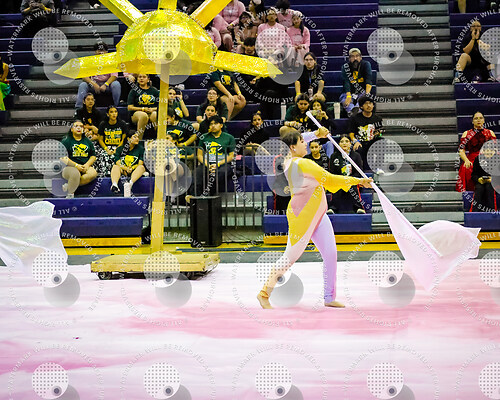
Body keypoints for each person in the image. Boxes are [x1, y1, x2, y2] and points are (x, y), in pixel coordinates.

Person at [256, 128, 373, 309]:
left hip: (318, 214)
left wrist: (316, 134)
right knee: (289, 257)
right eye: (303, 142)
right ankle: (264, 293)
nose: (307, 144)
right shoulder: (303, 164)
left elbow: (294, 141)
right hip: (302, 217)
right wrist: (358, 181)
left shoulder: (288, 161)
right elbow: (330, 180)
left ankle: (329, 297)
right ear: (293, 147)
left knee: (331, 254)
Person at [188, 115, 235, 197]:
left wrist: (218, 164)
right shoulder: (204, 137)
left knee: (219, 174)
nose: (213, 126)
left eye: (215, 123)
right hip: (207, 163)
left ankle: (209, 197)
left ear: (221, 125)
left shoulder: (229, 137)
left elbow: (232, 156)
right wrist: (208, 165)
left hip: (222, 164)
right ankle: (196, 199)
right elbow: (199, 155)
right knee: (197, 174)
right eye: (211, 124)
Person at [456, 111, 496, 192]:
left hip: (487, 158)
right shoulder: (466, 134)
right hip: (472, 159)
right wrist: (466, 160)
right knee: (466, 167)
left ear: (484, 120)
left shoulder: (490, 133)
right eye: (476, 118)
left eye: (480, 118)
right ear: (472, 121)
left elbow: (495, 150)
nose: (478, 120)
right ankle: (470, 191)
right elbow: (461, 150)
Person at [75, 43, 121, 109]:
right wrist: (94, 84)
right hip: (93, 84)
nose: (100, 52)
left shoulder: (112, 61)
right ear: (95, 52)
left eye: (103, 50)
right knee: (83, 85)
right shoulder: (90, 62)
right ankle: (79, 108)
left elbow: (114, 76)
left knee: (116, 84)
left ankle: (116, 106)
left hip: (107, 85)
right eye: (99, 50)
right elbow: (84, 76)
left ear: (106, 52)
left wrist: (105, 84)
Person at [60, 120, 98, 198]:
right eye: (76, 126)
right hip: (69, 167)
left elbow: (93, 156)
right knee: (75, 174)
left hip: (84, 165)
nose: (79, 128)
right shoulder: (66, 141)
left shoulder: (87, 141)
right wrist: (76, 166)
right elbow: (63, 158)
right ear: (71, 129)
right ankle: (70, 194)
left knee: (93, 173)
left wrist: (87, 165)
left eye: (81, 126)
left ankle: (69, 186)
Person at [329, 135, 366, 214]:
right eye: (342, 142)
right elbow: (332, 172)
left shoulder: (356, 156)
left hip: (352, 180)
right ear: (338, 144)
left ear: (350, 143)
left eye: (346, 141)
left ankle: (358, 208)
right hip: (339, 180)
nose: (344, 143)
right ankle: (332, 208)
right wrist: (341, 179)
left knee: (353, 186)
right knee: (336, 186)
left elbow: (359, 172)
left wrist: (350, 179)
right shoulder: (334, 156)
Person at [348, 96, 383, 169]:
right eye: (366, 104)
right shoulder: (355, 118)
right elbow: (351, 133)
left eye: (370, 103)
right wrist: (355, 141)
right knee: (357, 148)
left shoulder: (378, 118)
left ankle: (378, 167)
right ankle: (359, 170)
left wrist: (378, 134)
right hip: (360, 142)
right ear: (361, 106)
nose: (369, 105)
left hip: (372, 142)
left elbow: (380, 133)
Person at [110, 131, 146, 197]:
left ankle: (130, 184)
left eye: (138, 137)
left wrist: (132, 168)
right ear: (128, 139)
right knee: (115, 166)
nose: (137, 139)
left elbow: (140, 163)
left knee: (141, 167)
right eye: (135, 137)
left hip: (134, 171)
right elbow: (118, 162)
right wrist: (126, 168)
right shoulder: (120, 149)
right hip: (123, 170)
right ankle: (114, 185)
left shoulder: (141, 149)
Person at [96, 105, 128, 176]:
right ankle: (105, 174)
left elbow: (123, 139)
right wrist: (107, 149)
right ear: (108, 114)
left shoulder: (122, 124)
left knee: (120, 155)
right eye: (111, 112)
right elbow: (100, 140)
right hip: (106, 146)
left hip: (119, 146)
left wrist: (117, 149)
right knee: (104, 155)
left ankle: (121, 173)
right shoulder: (103, 124)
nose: (114, 114)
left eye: (115, 112)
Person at [340, 48, 373, 116]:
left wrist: (367, 95)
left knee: (365, 100)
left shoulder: (366, 64)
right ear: (349, 58)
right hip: (349, 92)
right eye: (352, 56)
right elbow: (346, 82)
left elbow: (368, 80)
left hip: (362, 91)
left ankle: (355, 111)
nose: (355, 58)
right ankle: (353, 111)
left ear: (360, 57)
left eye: (357, 56)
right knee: (344, 100)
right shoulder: (345, 67)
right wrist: (348, 96)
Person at [127, 73, 159, 139]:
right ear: (137, 79)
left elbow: (161, 106)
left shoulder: (154, 91)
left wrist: (152, 109)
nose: (141, 78)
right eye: (140, 77)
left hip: (151, 111)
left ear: (148, 79)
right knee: (143, 115)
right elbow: (129, 107)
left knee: (155, 114)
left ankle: (159, 138)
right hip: (137, 113)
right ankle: (139, 140)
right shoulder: (133, 91)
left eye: (144, 77)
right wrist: (142, 109)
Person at [470, 142, 498, 212]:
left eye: (490, 150)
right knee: (479, 188)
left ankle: (492, 211)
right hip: (481, 181)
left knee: (489, 187)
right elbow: (473, 175)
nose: (488, 152)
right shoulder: (478, 159)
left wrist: (493, 179)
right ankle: (475, 211)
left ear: (494, 151)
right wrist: (478, 179)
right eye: (486, 150)